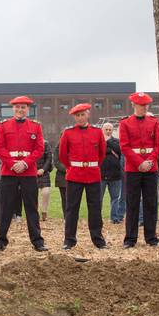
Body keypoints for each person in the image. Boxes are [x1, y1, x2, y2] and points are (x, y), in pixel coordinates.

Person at [0, 96, 47, 252]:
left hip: (28, 172)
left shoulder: (36, 127)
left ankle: (37, 241)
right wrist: (12, 164)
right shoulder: (3, 125)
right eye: (17, 107)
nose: (20, 110)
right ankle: (1, 241)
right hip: (9, 172)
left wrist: (24, 163)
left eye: (23, 107)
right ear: (13, 108)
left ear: (28, 109)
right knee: (5, 208)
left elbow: (39, 149)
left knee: (31, 207)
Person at [59, 103, 107, 249]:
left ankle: (98, 240)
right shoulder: (68, 133)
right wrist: (71, 167)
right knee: (72, 209)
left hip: (92, 175)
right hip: (75, 175)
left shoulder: (98, 132)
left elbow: (102, 154)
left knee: (95, 209)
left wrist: (93, 165)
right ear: (74, 117)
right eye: (77, 115)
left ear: (88, 114)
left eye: (82, 115)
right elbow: (62, 155)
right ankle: (69, 240)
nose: (80, 118)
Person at [119, 92, 159, 249]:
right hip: (133, 168)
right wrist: (139, 163)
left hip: (151, 168)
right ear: (133, 105)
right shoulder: (125, 123)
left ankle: (151, 237)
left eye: (146, 105)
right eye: (141, 105)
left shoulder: (154, 122)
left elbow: (157, 145)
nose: (144, 107)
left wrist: (149, 161)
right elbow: (124, 146)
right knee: (132, 203)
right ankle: (130, 238)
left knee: (151, 203)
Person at [100, 122, 123, 224]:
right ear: (102, 130)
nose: (108, 131)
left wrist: (108, 142)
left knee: (115, 198)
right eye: (106, 129)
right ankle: (97, 218)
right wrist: (109, 148)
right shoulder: (98, 141)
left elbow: (119, 150)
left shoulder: (117, 141)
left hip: (115, 175)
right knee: (98, 198)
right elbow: (98, 151)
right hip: (101, 175)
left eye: (110, 129)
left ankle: (114, 218)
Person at [36, 139, 53, 222]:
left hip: (44, 172)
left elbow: (49, 158)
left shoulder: (45, 143)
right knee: (34, 194)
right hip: (32, 172)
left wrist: (43, 169)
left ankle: (44, 211)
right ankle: (36, 213)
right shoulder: (29, 143)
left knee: (46, 192)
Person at [54, 142, 67, 217]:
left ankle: (73, 215)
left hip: (74, 175)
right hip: (61, 177)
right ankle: (66, 216)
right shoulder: (57, 148)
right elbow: (56, 162)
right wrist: (66, 169)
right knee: (64, 198)